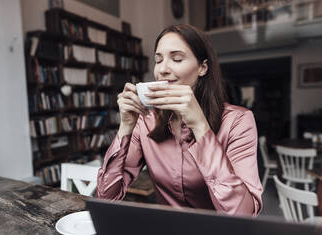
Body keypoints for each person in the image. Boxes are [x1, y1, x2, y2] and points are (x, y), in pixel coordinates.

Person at [97, 24, 263, 216]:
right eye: (158, 60)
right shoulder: (146, 122)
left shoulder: (238, 121)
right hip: (169, 234)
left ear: (202, 68)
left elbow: (244, 214)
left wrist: (200, 126)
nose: (163, 69)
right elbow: (106, 197)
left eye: (176, 58)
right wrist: (125, 126)